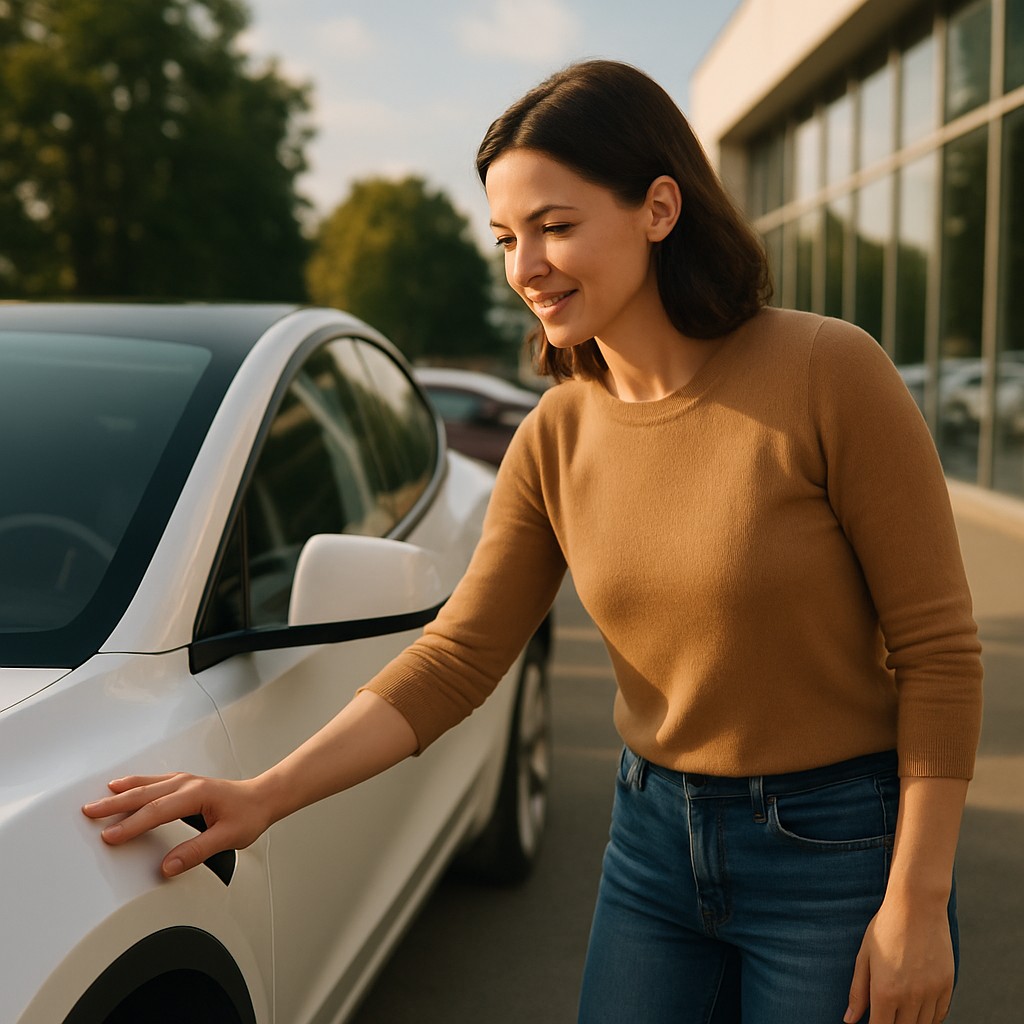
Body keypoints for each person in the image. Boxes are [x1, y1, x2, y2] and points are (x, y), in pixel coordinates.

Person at [83, 59, 983, 1023]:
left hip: (836, 850)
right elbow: (458, 658)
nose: (526, 268)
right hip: (652, 845)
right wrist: (266, 793)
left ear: (660, 208)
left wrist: (917, 903)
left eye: (556, 227)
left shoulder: (828, 370)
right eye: (507, 238)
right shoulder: (554, 435)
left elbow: (938, 656)